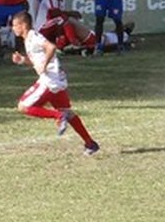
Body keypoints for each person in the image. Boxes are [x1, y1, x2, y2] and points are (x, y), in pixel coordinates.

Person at [9, 11, 99, 155]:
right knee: (68, 113)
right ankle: (90, 144)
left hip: (49, 80)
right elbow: (36, 60)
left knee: (23, 106)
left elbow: (51, 47)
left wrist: (44, 65)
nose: (12, 28)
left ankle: (57, 116)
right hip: (57, 79)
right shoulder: (28, 40)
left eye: (14, 25)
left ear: (23, 25)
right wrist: (22, 60)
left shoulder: (34, 36)